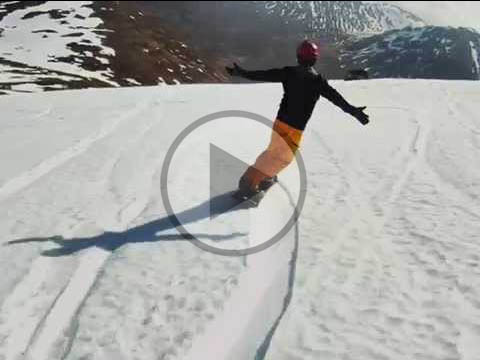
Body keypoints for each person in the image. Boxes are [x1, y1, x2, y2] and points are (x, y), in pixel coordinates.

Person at [226, 40, 369, 200]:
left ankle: (264, 177)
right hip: (295, 128)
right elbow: (337, 99)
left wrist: (242, 73)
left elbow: (264, 74)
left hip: (280, 122)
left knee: (273, 152)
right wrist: (354, 112)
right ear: (314, 59)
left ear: (298, 57)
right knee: (283, 158)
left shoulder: (288, 72)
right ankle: (248, 183)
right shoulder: (317, 81)